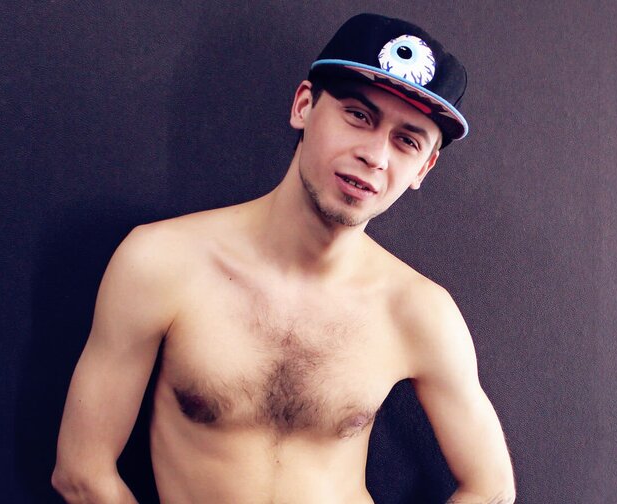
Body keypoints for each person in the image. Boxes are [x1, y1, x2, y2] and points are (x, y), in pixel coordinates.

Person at [51, 13, 515, 504]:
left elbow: (492, 489)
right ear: (304, 105)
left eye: (407, 141)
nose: (376, 156)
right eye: (359, 115)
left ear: (424, 167)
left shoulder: (416, 310)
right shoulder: (164, 263)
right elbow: (82, 472)